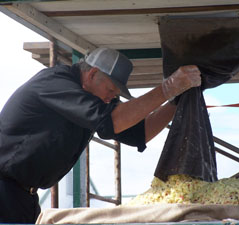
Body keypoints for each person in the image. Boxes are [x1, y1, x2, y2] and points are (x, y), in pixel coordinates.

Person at [0, 47, 201, 223]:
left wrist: (177, 100)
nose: (112, 97)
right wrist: (168, 88)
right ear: (92, 74)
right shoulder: (54, 83)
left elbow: (140, 133)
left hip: (24, 196)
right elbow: (112, 121)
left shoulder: (96, 101)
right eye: (111, 89)